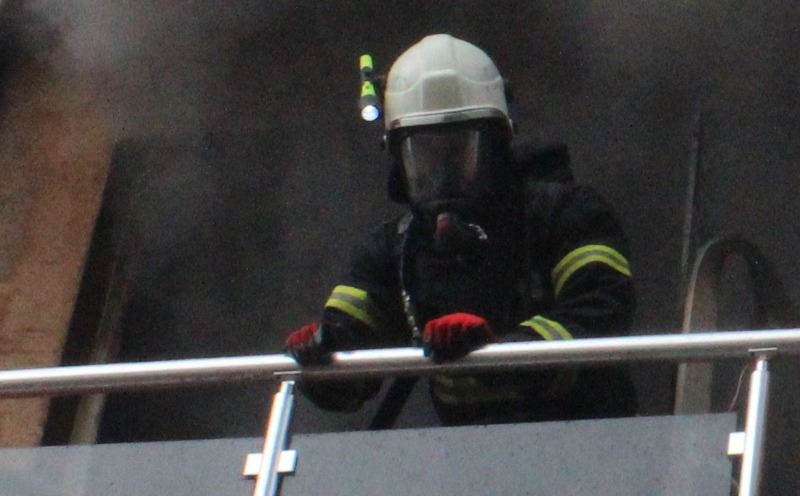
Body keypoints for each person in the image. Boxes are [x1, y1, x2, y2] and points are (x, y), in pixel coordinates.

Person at [285, 34, 637, 425]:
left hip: (590, 445)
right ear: (399, 160)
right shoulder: (393, 251)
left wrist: (501, 351)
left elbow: (603, 316)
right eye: (424, 157)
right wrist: (322, 353)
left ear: (497, 146)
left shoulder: (569, 216)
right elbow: (349, 376)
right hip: (464, 455)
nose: (443, 177)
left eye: (460, 152)